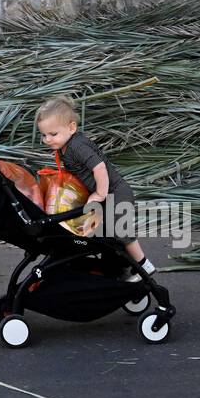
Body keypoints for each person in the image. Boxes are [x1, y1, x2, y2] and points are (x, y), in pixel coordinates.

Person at [35, 96, 157, 282]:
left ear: (72, 128)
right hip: (106, 194)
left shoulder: (77, 146)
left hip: (116, 192)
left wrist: (100, 193)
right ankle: (118, 266)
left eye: (53, 134)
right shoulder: (64, 147)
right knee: (104, 234)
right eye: (44, 135)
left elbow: (99, 167)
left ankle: (144, 265)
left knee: (121, 231)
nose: (48, 140)